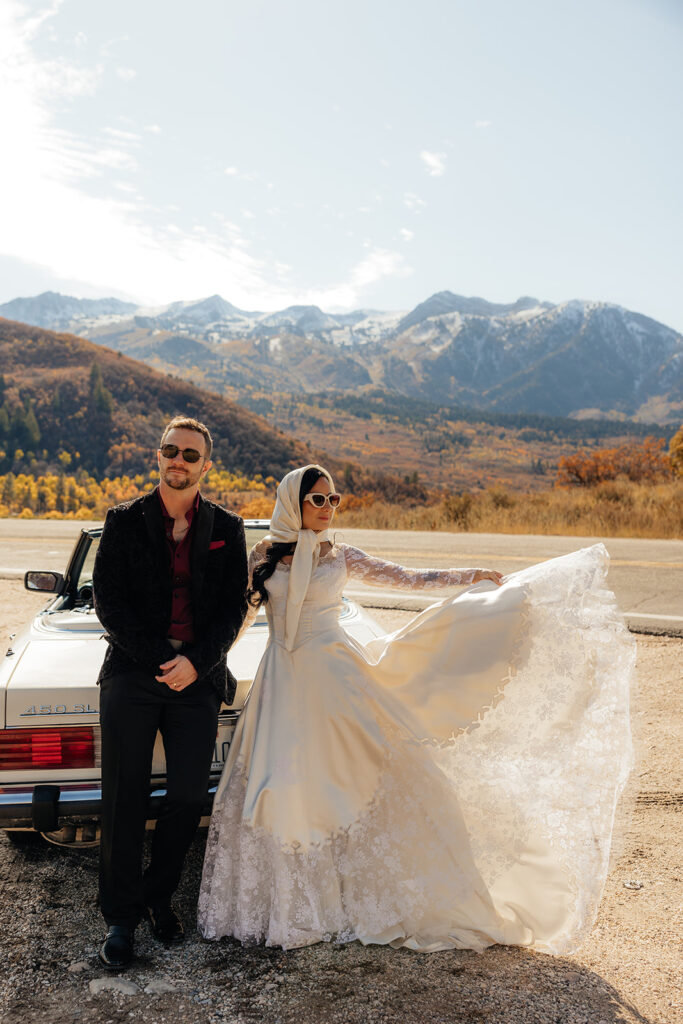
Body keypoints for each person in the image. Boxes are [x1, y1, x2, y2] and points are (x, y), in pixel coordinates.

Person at [198, 464, 634, 954]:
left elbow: (409, 578)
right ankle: (294, 904)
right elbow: (238, 618)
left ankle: (357, 895)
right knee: (282, 786)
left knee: (359, 777)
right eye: (317, 499)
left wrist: (470, 576)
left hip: (338, 680)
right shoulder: (262, 555)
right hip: (282, 682)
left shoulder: (341, 556)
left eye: (333, 500)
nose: (326, 509)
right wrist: (199, 665)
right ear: (291, 501)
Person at [93, 416, 248, 969]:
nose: (177, 460)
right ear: (157, 457)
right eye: (169, 450)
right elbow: (108, 604)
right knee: (124, 797)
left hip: (197, 678)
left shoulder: (227, 526)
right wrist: (163, 660)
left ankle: (159, 896)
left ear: (206, 465)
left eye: (189, 454)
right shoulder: (123, 521)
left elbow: (234, 609)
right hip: (134, 673)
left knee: (186, 795)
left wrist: (194, 664)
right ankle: (120, 917)